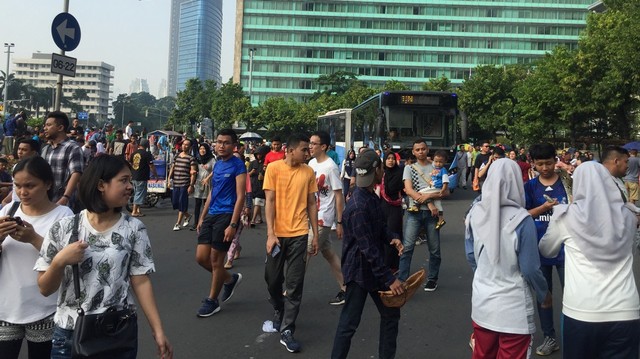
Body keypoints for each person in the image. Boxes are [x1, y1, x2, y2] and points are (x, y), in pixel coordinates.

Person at [35, 155, 173, 359]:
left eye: (130, 180)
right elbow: (45, 288)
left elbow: (141, 281)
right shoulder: (63, 228)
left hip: (117, 331)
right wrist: (60, 260)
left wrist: (158, 331)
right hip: (70, 333)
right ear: (101, 185)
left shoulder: (134, 228)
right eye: (123, 180)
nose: (130, 186)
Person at [539, 161, 639, 358]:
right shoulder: (629, 217)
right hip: (626, 309)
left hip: (581, 311)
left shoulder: (565, 217)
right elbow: (631, 250)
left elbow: (546, 250)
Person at [466, 158, 550, 359]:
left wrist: (485, 277)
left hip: (482, 302)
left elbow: (471, 256)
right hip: (514, 308)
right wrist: (544, 294)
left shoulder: (474, 214)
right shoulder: (522, 219)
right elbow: (530, 268)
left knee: (483, 353)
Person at [331, 148, 404, 359]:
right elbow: (368, 249)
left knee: (391, 314)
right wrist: (390, 279)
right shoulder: (358, 206)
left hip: (374, 268)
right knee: (349, 324)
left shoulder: (370, 196)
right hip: (359, 272)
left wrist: (392, 237)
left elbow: (380, 227)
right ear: (377, 170)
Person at [0, 157, 73, 359]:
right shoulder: (9, 210)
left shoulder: (63, 215)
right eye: (18, 186)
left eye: (30, 186)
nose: (23, 192)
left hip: (46, 307)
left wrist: (34, 239)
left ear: (48, 184)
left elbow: (68, 261)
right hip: (7, 306)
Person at [263, 133, 318, 353]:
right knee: (272, 279)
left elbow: (312, 203)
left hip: (299, 235)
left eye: (309, 149)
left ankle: (287, 330)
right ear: (291, 150)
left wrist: (314, 234)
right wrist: (270, 233)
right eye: (304, 149)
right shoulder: (273, 169)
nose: (308, 152)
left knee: (295, 285)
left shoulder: (309, 172)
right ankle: (278, 307)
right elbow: (270, 201)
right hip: (277, 235)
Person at [194, 129, 246, 317]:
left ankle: (212, 301)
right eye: (219, 142)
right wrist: (202, 217)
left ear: (233, 146)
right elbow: (212, 193)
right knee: (201, 258)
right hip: (211, 215)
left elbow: (241, 197)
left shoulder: (238, 165)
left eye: (226, 143)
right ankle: (229, 279)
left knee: (217, 261)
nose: (221, 145)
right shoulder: (217, 165)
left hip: (226, 215)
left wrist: (233, 224)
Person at [524, 143, 569, 356]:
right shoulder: (529, 187)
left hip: (567, 251)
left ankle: (572, 335)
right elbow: (521, 216)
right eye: (540, 164)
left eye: (548, 163)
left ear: (555, 160)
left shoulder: (568, 185)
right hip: (538, 251)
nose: (545, 167)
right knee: (544, 296)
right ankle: (549, 337)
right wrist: (542, 209)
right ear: (533, 163)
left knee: (572, 296)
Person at [399, 139, 447, 291]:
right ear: (413, 152)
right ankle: (402, 280)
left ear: (428, 150)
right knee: (407, 248)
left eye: (423, 149)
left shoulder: (437, 167)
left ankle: (432, 279)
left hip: (432, 216)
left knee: (435, 249)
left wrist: (427, 197)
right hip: (415, 213)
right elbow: (408, 190)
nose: (420, 151)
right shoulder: (409, 168)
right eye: (417, 149)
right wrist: (429, 200)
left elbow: (445, 191)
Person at [307, 131, 346, 305]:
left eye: (314, 143)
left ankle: (289, 292)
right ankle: (347, 288)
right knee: (329, 254)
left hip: (323, 218)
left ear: (323, 146)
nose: (310, 146)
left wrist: (339, 222)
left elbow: (339, 195)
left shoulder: (331, 167)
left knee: (305, 253)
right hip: (310, 215)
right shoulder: (311, 163)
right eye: (310, 143)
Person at [40, 111, 84, 210]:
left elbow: (76, 173)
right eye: (45, 125)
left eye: (48, 125)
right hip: (45, 200)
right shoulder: (45, 149)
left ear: (60, 128)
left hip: (63, 203)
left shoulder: (73, 148)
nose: (45, 128)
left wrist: (65, 197)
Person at [379, 152, 404, 272]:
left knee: (393, 233)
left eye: (392, 159)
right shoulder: (381, 173)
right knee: (383, 234)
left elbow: (391, 189)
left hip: (394, 207)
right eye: (388, 159)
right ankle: (384, 264)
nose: (390, 161)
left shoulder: (399, 173)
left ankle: (394, 265)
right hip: (382, 206)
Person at [2, 138, 40, 206]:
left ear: (33, 152)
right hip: (12, 204)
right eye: (19, 149)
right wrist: (5, 200)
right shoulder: (16, 166)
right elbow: (14, 187)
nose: (20, 152)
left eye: (24, 150)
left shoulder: (37, 169)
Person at [168, 139, 197, 231]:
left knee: (182, 203)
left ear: (190, 147)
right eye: (184, 144)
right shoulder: (177, 156)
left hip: (185, 184)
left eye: (187, 145)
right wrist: (169, 179)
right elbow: (173, 167)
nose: (185, 146)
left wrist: (191, 185)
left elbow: (193, 173)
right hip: (176, 183)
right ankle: (187, 216)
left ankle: (178, 223)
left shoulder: (191, 158)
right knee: (175, 203)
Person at [130, 138, 157, 217]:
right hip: (142, 176)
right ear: (147, 145)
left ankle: (138, 210)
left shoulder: (134, 153)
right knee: (139, 193)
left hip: (134, 175)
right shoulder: (147, 154)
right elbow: (151, 166)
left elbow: (131, 163)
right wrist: (156, 175)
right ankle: (134, 211)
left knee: (137, 192)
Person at [191, 143, 216, 231]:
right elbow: (193, 168)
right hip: (199, 182)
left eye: (204, 148)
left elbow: (215, 170)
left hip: (208, 183)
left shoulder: (211, 159)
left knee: (206, 204)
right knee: (197, 204)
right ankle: (195, 223)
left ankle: (205, 222)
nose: (202, 150)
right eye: (201, 148)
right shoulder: (197, 159)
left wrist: (207, 178)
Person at [249, 146, 268, 226]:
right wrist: (252, 172)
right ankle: (260, 218)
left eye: (260, 154)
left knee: (258, 202)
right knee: (256, 203)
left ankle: (253, 220)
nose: (259, 156)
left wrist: (264, 175)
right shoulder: (252, 163)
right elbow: (248, 174)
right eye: (257, 154)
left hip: (261, 186)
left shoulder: (266, 164)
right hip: (253, 185)